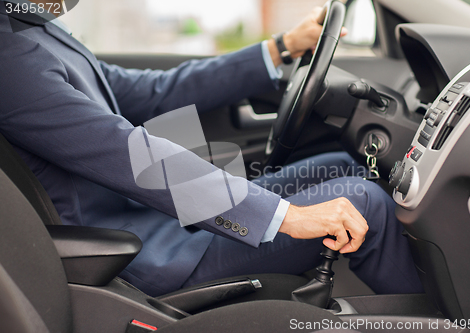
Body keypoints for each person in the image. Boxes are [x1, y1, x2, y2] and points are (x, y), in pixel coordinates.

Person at [0, 0, 423, 297]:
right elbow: (129, 154)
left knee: (339, 167)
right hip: (138, 250)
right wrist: (288, 218)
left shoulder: (34, 30)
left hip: (162, 219)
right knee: (362, 200)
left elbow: (153, 92)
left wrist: (280, 48)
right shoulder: (11, 58)